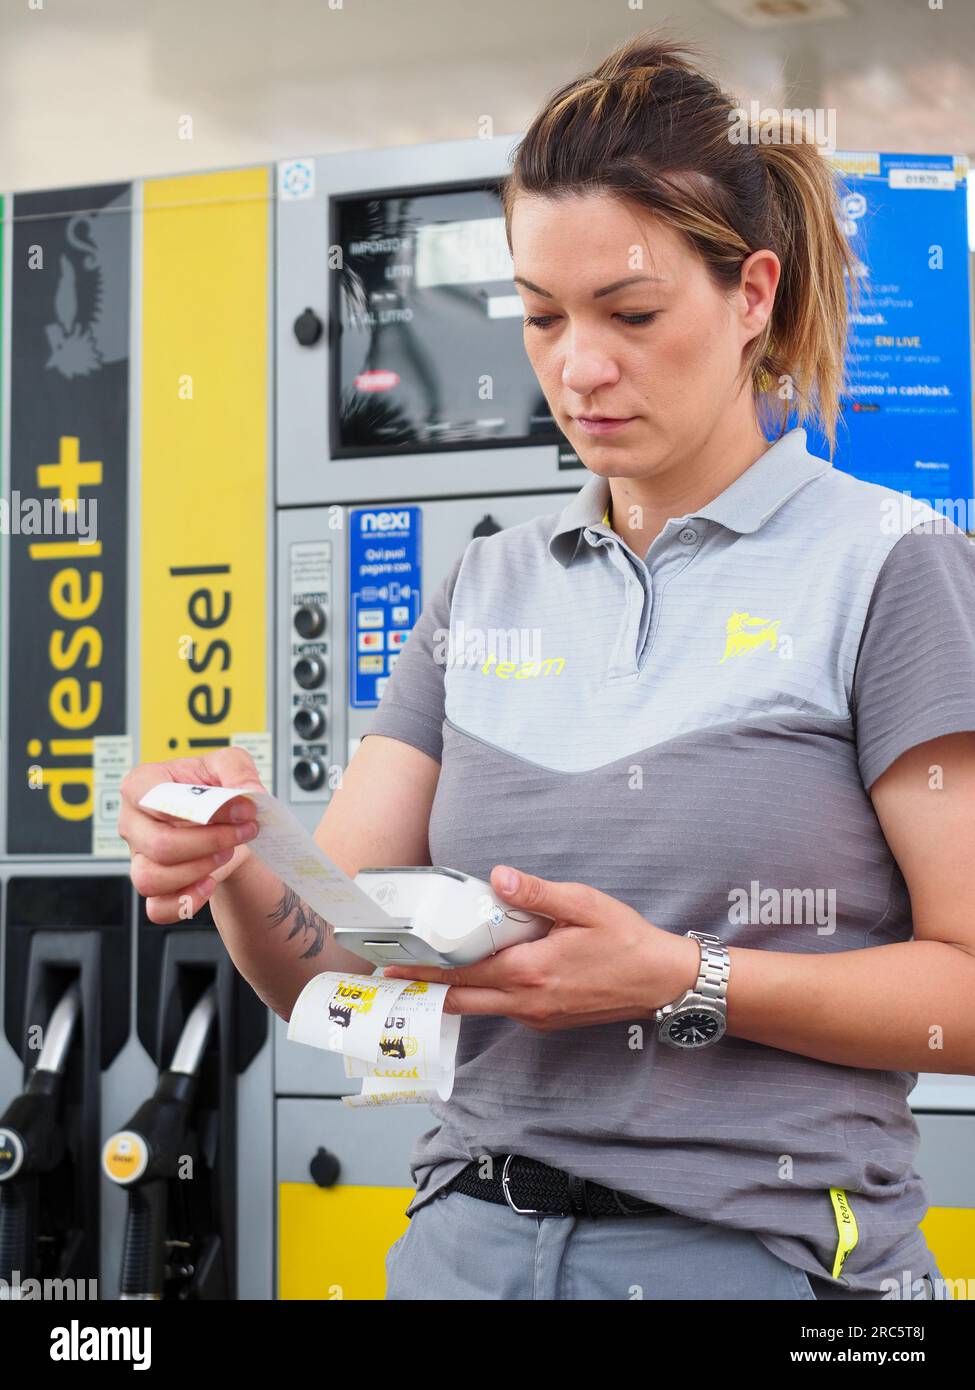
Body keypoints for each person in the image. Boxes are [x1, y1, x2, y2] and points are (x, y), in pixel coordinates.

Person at [118, 30, 975, 1301]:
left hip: (758, 1262)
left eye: (630, 313)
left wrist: (691, 982)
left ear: (751, 296)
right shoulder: (483, 587)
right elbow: (336, 967)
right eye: (539, 316)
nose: (578, 365)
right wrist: (238, 859)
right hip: (463, 1245)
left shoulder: (889, 565)